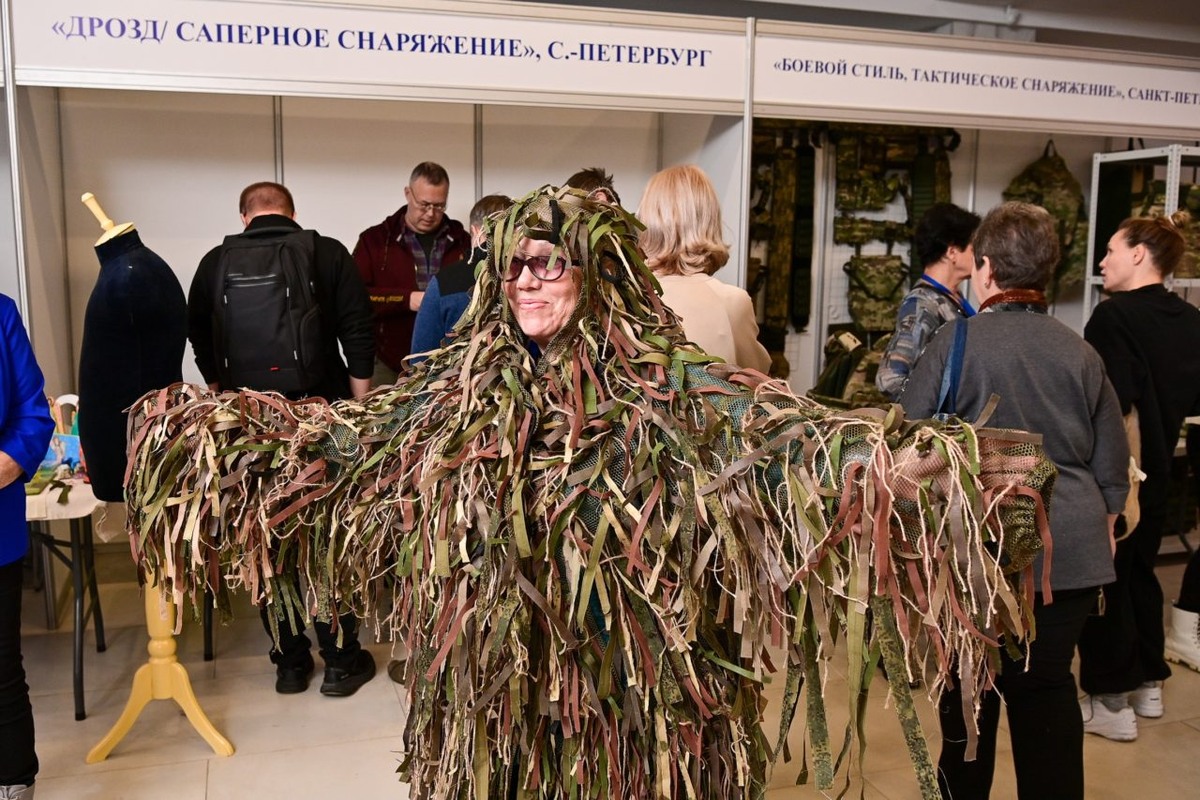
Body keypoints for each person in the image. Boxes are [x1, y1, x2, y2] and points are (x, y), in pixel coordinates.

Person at [130, 186, 1046, 800]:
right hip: (501, 703)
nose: (528, 281)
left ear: (595, 274)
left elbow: (784, 439)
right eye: (515, 266)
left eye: (549, 264)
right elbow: (348, 445)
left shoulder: (671, 388)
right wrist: (215, 434)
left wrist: (887, 470)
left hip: (639, 704)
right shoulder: (456, 397)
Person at [900, 201, 1129, 800]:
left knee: (969, 695)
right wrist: (1107, 520)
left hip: (978, 545)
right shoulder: (1080, 351)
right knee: (1049, 691)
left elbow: (910, 434)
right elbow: (1111, 466)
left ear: (985, 268)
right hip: (1069, 554)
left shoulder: (957, 341)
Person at [187, 181, 376, 697]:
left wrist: (226, 394)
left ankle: (289, 663)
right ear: (292, 213)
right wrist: (356, 407)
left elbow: (200, 336)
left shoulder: (214, 262)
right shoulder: (326, 252)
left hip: (251, 422)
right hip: (321, 415)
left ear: (244, 215)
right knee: (326, 537)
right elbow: (359, 332)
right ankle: (340, 661)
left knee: (268, 539)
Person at [1077, 210, 1200, 738]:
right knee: (1141, 573)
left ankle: (1110, 700)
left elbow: (1109, 404)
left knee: (1105, 582)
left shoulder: (1113, 318)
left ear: (1137, 254)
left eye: (1109, 249)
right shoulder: (1191, 319)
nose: (1102, 261)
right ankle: (1148, 683)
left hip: (1119, 474)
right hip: (1164, 472)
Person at [79, 225, 187, 502]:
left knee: (148, 522)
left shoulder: (129, 275)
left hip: (131, 438)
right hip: (138, 430)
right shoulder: (134, 269)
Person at [637, 164, 771, 372]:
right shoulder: (733, 303)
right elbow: (757, 381)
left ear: (648, 222)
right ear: (710, 221)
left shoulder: (628, 300)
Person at [0, 294, 55, 800]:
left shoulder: (0, 314)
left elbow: (34, 415)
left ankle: (15, 783)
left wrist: (8, 463)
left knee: (0, 669)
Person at [352, 161, 472, 386]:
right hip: (388, 362)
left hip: (449, 364)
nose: (430, 213)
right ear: (408, 194)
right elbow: (356, 297)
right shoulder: (375, 241)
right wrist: (407, 300)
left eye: (439, 206)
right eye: (424, 204)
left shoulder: (462, 241)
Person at [876, 202, 980, 400]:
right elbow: (889, 380)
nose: (979, 255)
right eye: (973, 247)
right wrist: (936, 410)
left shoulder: (950, 298)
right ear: (952, 252)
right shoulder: (923, 305)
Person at [409, 193, 511, 360]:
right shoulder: (527, 278)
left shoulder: (443, 283)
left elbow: (419, 359)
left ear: (474, 230)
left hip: (453, 383)